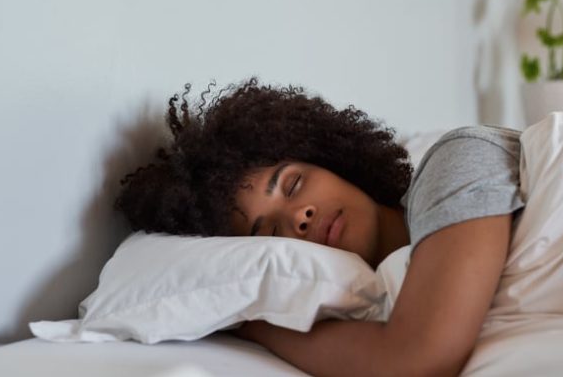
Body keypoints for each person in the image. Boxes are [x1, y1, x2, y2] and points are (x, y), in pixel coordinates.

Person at [115, 78, 524, 376]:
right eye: (270, 233)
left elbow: (419, 359)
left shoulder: (454, 163)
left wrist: (258, 326)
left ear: (332, 159)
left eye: (293, 183)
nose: (299, 216)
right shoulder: (387, 286)